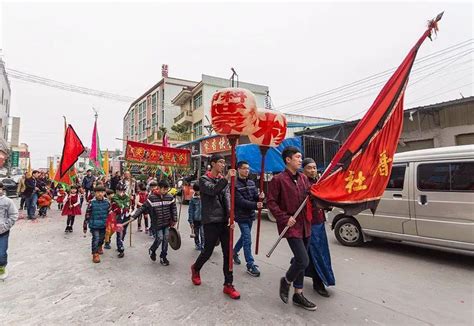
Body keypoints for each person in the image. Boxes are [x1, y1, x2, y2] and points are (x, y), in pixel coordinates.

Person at [267, 146, 317, 311]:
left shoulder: (303, 178)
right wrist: (284, 218)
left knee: (299, 261)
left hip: (306, 224)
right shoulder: (278, 180)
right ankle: (286, 281)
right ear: (288, 160)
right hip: (291, 226)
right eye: (297, 157)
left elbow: (310, 195)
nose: (300, 160)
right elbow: (271, 202)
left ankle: (298, 294)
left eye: (300, 157)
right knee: (303, 259)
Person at [190, 154, 241, 300]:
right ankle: (196, 268)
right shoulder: (204, 180)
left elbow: (227, 198)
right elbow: (213, 191)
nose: (223, 165)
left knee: (228, 253)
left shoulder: (222, 180)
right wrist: (226, 178)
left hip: (224, 221)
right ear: (212, 164)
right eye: (220, 162)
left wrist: (231, 216)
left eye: (224, 163)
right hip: (211, 220)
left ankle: (228, 284)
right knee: (207, 251)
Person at [302, 158, 335, 297]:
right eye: (309, 168)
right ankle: (318, 282)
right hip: (308, 223)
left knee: (315, 252)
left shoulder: (318, 182)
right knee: (316, 253)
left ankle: (298, 269)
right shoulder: (302, 184)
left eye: (314, 167)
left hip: (319, 222)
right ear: (303, 169)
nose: (312, 170)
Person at [130, 180, 177, 266]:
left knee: (166, 239)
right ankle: (152, 250)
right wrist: (135, 216)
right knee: (159, 238)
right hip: (157, 223)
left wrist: (174, 219)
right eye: (164, 189)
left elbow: (173, 208)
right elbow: (143, 207)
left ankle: (163, 257)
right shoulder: (152, 198)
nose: (166, 191)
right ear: (159, 188)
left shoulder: (170, 197)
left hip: (167, 222)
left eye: (167, 189)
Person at [233, 161, 264, 277]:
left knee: (244, 237)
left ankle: (234, 252)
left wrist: (260, 197)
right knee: (247, 239)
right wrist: (255, 205)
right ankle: (250, 264)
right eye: (244, 168)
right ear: (238, 170)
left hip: (250, 215)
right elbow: (240, 202)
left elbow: (254, 197)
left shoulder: (251, 182)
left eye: (248, 168)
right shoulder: (234, 184)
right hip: (241, 216)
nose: (247, 170)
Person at [83, 186, 110, 263]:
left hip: (104, 224)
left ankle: (100, 246)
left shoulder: (107, 202)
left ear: (104, 193)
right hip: (94, 224)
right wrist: (85, 226)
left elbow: (110, 213)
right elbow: (87, 214)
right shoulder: (91, 202)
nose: (100, 194)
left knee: (101, 239)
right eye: (98, 192)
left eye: (101, 192)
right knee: (96, 239)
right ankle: (95, 254)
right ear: (95, 193)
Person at [0, 182, 19, 280]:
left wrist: (5, 226)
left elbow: (14, 215)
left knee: (1, 252)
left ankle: (1, 267)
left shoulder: (8, 201)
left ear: (2, 189)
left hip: (2, 232)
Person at [110, 184, 130, 258]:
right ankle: (120, 248)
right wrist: (122, 208)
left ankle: (121, 242)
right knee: (119, 233)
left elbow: (128, 206)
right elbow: (115, 208)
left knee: (124, 232)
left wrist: (127, 208)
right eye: (119, 191)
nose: (121, 192)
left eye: (123, 191)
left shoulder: (128, 197)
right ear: (116, 191)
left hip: (126, 217)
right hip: (118, 217)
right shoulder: (114, 198)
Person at [188, 183, 203, 251]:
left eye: (199, 191)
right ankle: (197, 244)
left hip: (204, 219)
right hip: (195, 220)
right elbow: (190, 210)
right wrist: (191, 221)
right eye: (197, 191)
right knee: (196, 234)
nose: (198, 192)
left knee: (203, 234)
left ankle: (203, 245)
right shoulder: (193, 199)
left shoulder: (205, 197)